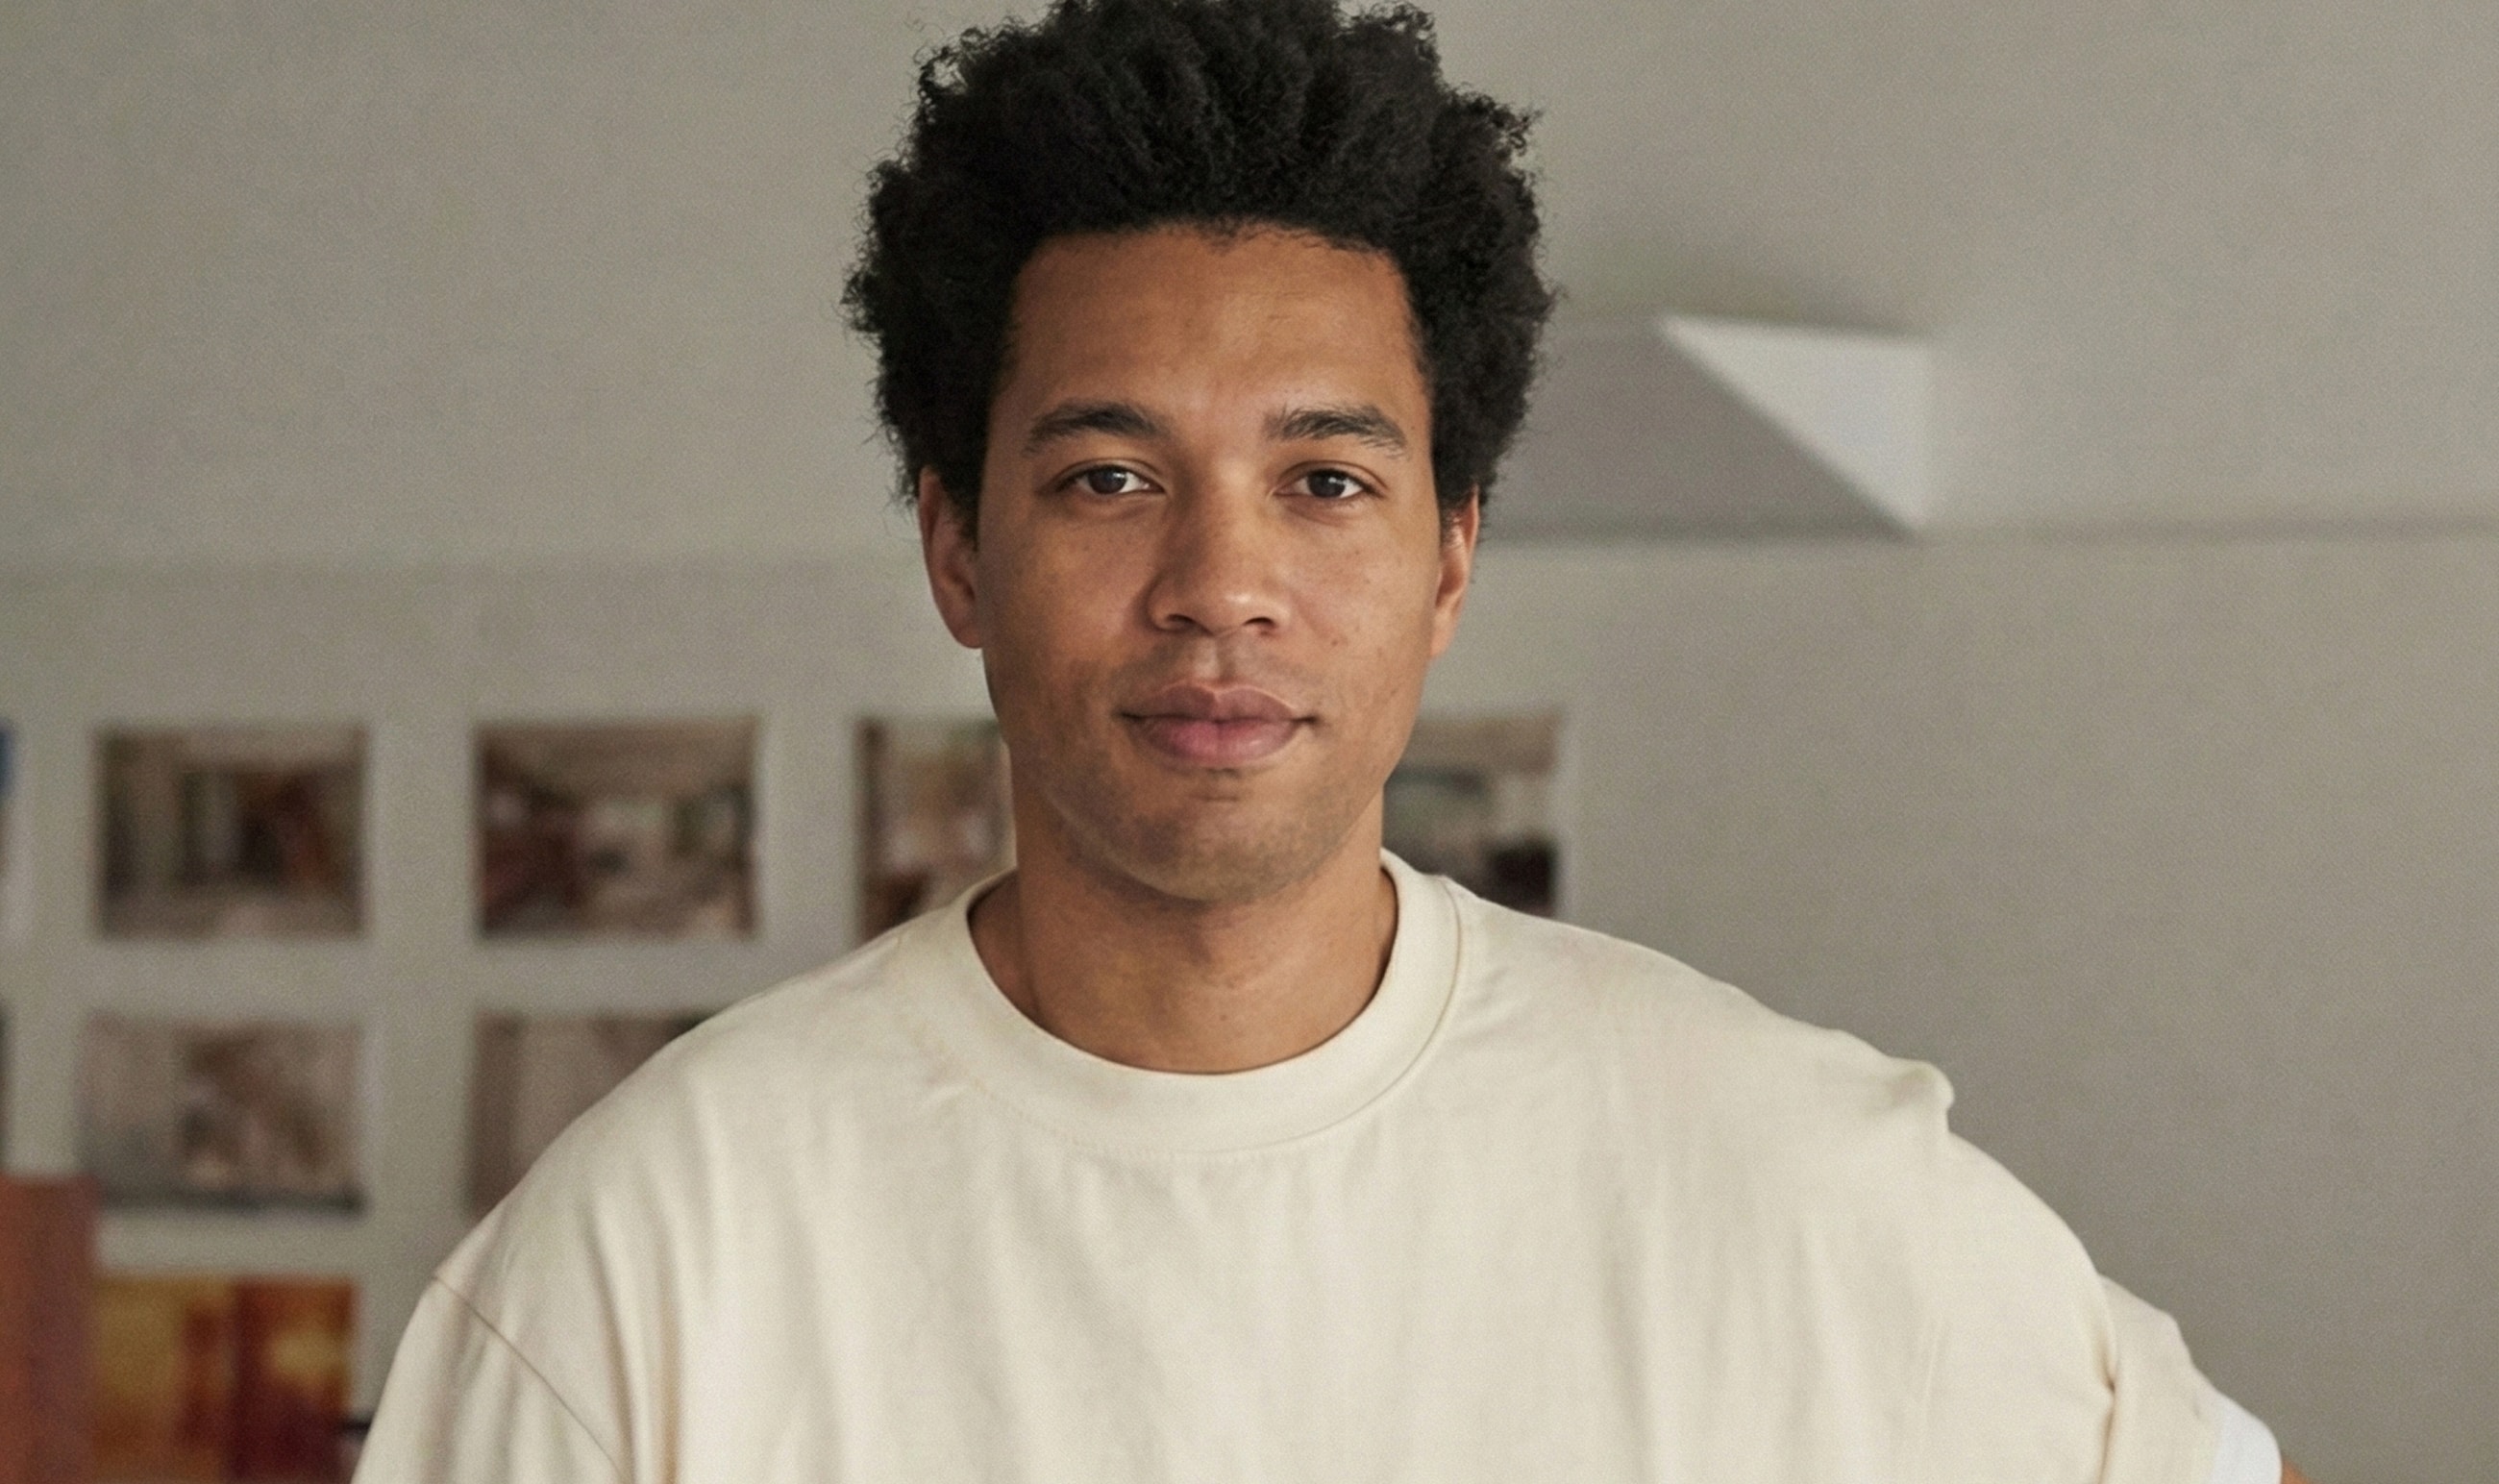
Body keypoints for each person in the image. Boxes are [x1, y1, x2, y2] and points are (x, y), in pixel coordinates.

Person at [356, 1, 2308, 1479]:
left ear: (1452, 552)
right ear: (957, 546)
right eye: (1110, 475)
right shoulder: (647, 1270)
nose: (1222, 583)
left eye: (1326, 482)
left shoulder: (1792, 1177)